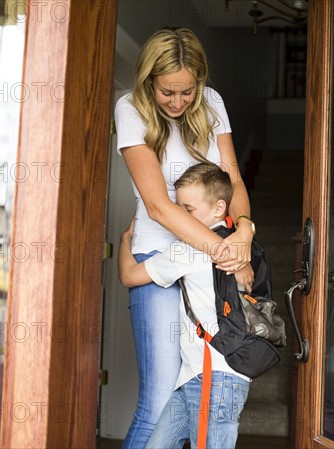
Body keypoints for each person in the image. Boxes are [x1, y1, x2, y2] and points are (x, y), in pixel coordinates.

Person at [114, 28, 255, 447]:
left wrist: (243, 231)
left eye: (187, 92)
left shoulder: (212, 103)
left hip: (215, 253)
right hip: (161, 249)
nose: (178, 103)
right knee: (160, 396)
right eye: (167, 92)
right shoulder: (129, 108)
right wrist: (222, 249)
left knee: (194, 385)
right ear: (147, 83)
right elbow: (159, 206)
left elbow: (232, 180)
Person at [118, 163, 251, 449]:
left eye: (187, 210)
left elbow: (129, 276)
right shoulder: (241, 247)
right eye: (177, 207)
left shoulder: (188, 249)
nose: (179, 216)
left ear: (218, 208)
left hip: (212, 377)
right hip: (199, 377)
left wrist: (124, 240)